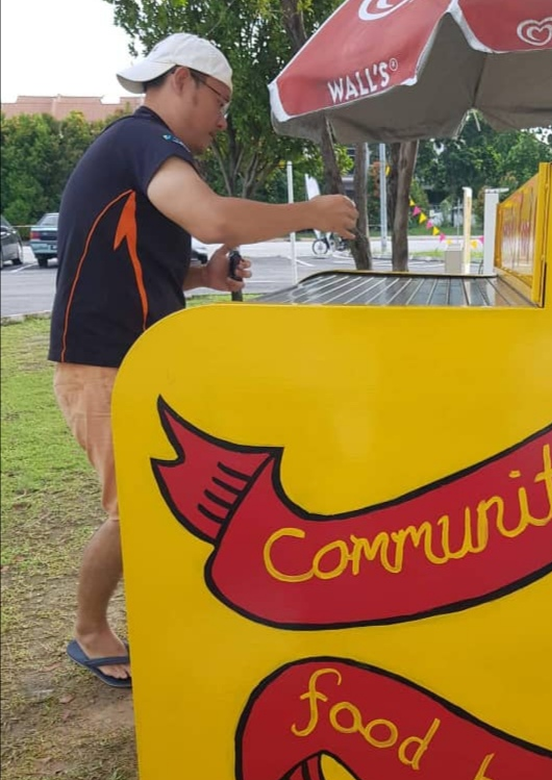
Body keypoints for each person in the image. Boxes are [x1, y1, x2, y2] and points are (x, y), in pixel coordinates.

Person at [48, 33, 358, 689]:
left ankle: (173, 617)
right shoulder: (145, 142)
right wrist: (315, 213)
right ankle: (88, 631)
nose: (223, 120)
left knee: (159, 499)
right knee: (136, 507)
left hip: (130, 359)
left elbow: (135, 266)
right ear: (182, 80)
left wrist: (205, 278)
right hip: (103, 362)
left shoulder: (142, 154)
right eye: (220, 101)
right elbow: (213, 217)